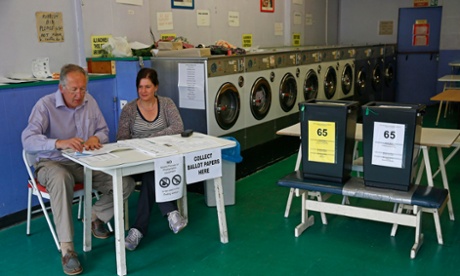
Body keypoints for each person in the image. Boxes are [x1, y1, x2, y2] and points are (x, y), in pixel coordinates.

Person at [21, 64, 135, 275]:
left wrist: (95, 138)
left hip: (84, 161)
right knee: (61, 177)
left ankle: (93, 217)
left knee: (125, 182)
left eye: (82, 89)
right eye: (74, 89)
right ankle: (67, 249)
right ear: (61, 87)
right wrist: (58, 142)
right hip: (51, 163)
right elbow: (28, 140)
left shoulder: (89, 102)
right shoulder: (45, 105)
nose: (79, 94)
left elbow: (103, 131)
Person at [117, 67, 187, 251]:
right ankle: (171, 213)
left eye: (147, 87)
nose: (143, 91)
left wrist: (152, 138)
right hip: (138, 161)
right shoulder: (130, 109)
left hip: (165, 159)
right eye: (140, 87)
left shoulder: (166, 104)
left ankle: (137, 231)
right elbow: (122, 139)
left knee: (153, 173)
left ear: (156, 87)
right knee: (150, 172)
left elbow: (178, 126)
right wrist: (144, 144)